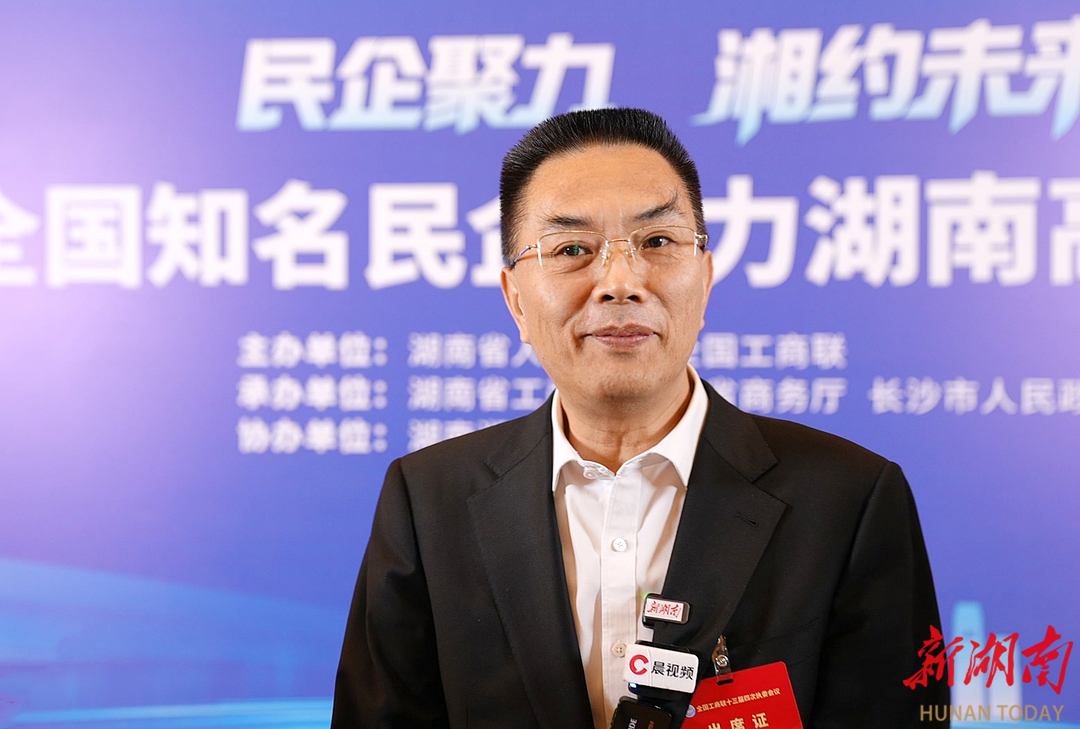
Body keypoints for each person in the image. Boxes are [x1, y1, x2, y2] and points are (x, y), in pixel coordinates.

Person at [332, 108, 948, 728]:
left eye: (656, 242)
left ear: (705, 278)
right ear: (516, 300)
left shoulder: (849, 499)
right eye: (572, 249)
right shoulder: (428, 501)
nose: (620, 282)